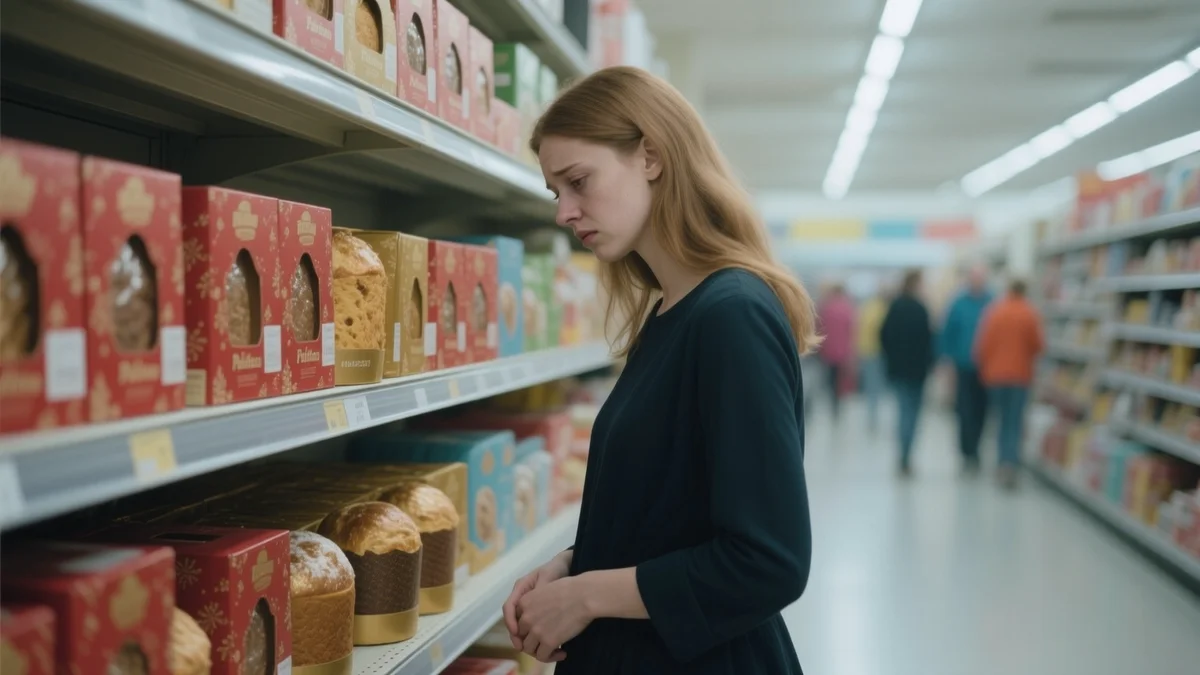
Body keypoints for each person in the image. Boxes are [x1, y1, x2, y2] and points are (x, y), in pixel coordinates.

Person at [502, 66, 817, 674]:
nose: (564, 212)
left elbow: (769, 560)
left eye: (578, 182)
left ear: (650, 156)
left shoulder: (731, 315)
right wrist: (574, 565)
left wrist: (586, 597)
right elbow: (670, 512)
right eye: (555, 192)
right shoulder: (669, 314)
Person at [975, 279, 1044, 489]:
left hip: (995, 376)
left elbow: (983, 345)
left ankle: (1000, 463)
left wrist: (985, 369)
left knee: (1000, 420)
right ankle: (1009, 465)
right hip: (1019, 376)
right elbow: (1038, 345)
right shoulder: (1029, 313)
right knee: (1014, 422)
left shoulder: (995, 311)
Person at [879, 270, 934, 476]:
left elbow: (883, 335)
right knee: (913, 413)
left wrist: (891, 358)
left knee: (903, 411)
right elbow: (930, 340)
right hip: (917, 371)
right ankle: (907, 454)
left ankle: (903, 455)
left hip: (899, 370)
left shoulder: (895, 307)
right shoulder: (921, 309)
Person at [941, 265, 993, 474]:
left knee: (982, 410)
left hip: (986, 367)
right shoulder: (958, 303)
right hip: (962, 366)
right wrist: (947, 361)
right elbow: (947, 333)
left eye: (981, 277)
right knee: (964, 410)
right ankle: (966, 451)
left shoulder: (992, 302)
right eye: (974, 277)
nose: (977, 281)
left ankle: (976, 448)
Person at [817, 283, 856, 422]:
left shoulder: (825, 308)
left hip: (828, 352)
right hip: (843, 352)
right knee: (841, 381)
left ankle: (833, 405)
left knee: (831, 380)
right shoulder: (847, 309)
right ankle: (838, 404)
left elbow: (820, 329)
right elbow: (851, 332)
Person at [856, 289, 889, 433]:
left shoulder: (867, 308)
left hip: (868, 351)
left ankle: (872, 417)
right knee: (875, 387)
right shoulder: (882, 310)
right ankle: (873, 417)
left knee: (871, 386)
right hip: (876, 352)